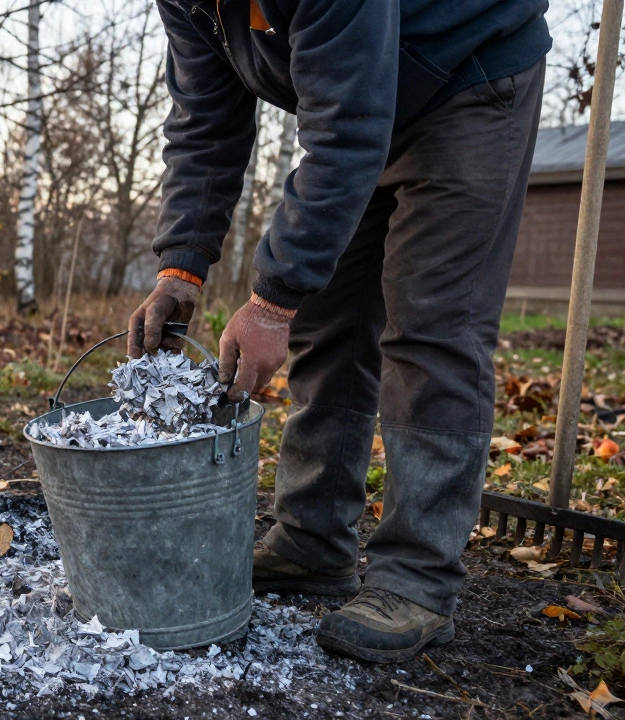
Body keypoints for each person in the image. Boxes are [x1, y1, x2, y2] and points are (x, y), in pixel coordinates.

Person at [128, 0, 550, 663]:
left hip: (462, 74)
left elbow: (347, 125)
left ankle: (416, 578)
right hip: (365, 100)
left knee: (431, 322)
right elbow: (205, 121)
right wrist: (181, 265)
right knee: (329, 315)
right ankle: (312, 541)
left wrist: (269, 303)